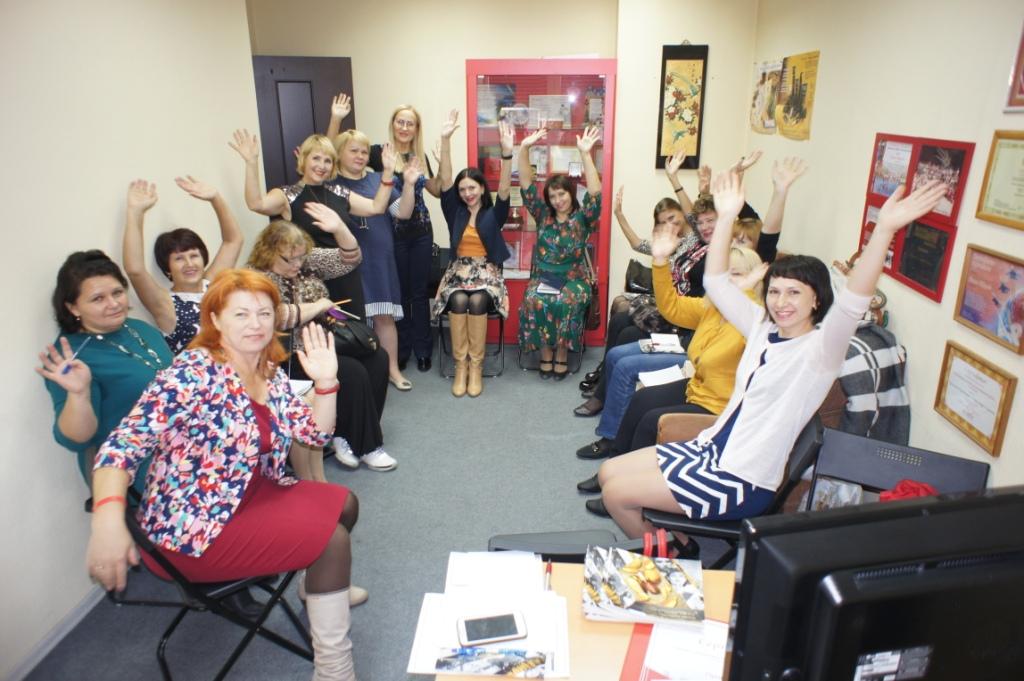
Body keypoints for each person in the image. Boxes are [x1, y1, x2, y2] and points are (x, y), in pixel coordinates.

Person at [597, 170, 947, 557]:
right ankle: (680, 541)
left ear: (817, 300)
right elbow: (716, 282)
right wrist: (726, 216)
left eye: (795, 293)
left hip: (741, 478)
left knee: (617, 496)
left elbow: (853, 302)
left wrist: (884, 231)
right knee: (608, 472)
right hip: (711, 449)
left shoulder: (820, 351)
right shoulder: (762, 329)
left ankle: (673, 561)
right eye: (776, 291)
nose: (781, 302)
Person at [85, 269, 361, 681]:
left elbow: (314, 434)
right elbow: (121, 446)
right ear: (215, 319)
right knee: (332, 541)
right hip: (195, 527)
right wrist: (107, 518)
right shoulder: (191, 373)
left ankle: (316, 586)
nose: (256, 324)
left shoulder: (266, 368)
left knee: (346, 504)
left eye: (264, 313)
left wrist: (326, 382)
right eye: (241, 314)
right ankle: (334, 670)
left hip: (250, 493)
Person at [576, 155, 807, 414]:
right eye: (733, 238)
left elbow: (766, 233)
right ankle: (604, 385)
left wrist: (779, 191)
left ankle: (604, 391)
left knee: (627, 332)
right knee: (621, 321)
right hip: (692, 314)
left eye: (741, 240)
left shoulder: (746, 264)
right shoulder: (702, 247)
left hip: (694, 333)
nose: (733, 243)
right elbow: (697, 216)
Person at [575, 236, 765, 497]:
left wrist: (744, 293)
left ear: (754, 281)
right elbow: (671, 307)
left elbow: (756, 326)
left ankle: (628, 489)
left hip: (719, 405)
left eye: (738, 275)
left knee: (651, 420)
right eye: (725, 275)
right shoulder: (712, 308)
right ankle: (613, 467)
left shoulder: (755, 320)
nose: (730, 282)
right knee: (641, 399)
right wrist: (660, 262)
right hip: (697, 388)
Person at [249, 217, 397, 473]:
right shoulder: (256, 278)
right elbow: (277, 316)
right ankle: (365, 445)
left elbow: (351, 257)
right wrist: (318, 306)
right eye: (290, 259)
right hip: (291, 355)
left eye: (300, 257)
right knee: (352, 372)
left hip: (326, 342)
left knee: (378, 358)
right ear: (269, 252)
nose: (297, 264)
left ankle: (352, 434)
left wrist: (339, 227)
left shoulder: (307, 260)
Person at [38, 251, 173, 494]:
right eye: (98, 299)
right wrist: (79, 394)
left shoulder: (139, 328)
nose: (113, 304)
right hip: (142, 469)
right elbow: (75, 439)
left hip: (187, 442)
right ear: (73, 307)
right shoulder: (71, 357)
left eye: (117, 292)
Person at [330, 98, 442, 373]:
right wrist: (336, 119)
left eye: (410, 123)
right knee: (396, 296)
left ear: (416, 129)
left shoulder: (418, 156)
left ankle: (423, 350)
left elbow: (437, 190)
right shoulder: (378, 152)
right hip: (391, 232)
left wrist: (444, 156)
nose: (404, 127)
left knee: (418, 293)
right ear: (392, 124)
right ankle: (399, 352)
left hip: (420, 231)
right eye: (400, 121)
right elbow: (333, 155)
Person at [230, 128, 393, 305]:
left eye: (327, 161)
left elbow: (377, 207)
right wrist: (251, 163)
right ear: (303, 159)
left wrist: (388, 172)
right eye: (316, 158)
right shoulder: (288, 195)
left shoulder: (339, 192)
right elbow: (256, 204)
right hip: (308, 282)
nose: (322, 166)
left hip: (346, 278)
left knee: (352, 323)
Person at [432, 111, 515, 397]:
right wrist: (445, 140)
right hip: (458, 271)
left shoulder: (495, 213)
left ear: (481, 188)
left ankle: (476, 366)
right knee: (458, 299)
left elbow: (505, 188)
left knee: (477, 300)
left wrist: (507, 154)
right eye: (463, 189)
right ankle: (461, 365)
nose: (467, 193)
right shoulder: (453, 211)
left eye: (472, 187)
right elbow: (445, 179)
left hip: (486, 272)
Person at [331, 127, 419, 391]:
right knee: (347, 318)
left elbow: (403, 213)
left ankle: (391, 370)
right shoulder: (331, 184)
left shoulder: (379, 179)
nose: (360, 156)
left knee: (384, 318)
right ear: (339, 153)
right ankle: (358, 375)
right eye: (354, 151)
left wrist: (409, 185)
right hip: (345, 261)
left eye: (364, 151)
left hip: (379, 258)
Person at [517, 124, 603, 380]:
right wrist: (524, 148)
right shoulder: (543, 215)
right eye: (553, 196)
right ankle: (545, 354)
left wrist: (585, 154)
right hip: (544, 277)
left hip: (574, 278)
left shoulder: (582, 218)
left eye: (562, 193)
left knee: (567, 302)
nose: (558, 200)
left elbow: (596, 194)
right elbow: (526, 185)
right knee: (534, 299)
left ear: (570, 193)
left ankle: (562, 354)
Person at [121, 177, 243, 354]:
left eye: (194, 255)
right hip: (196, 372)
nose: (189, 264)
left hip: (236, 365)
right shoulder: (166, 303)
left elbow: (233, 241)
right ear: (167, 268)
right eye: (179, 259)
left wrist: (216, 198)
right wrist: (135, 214)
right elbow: (135, 270)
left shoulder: (212, 283)